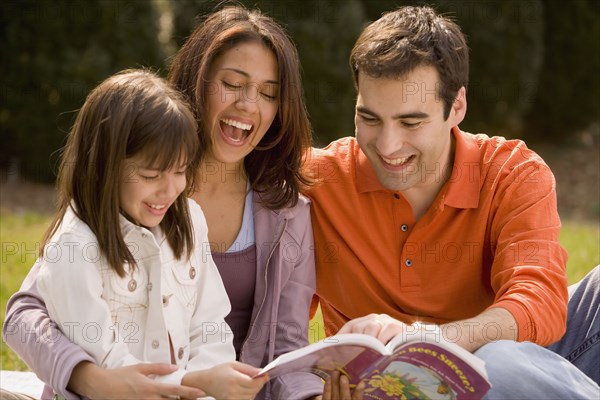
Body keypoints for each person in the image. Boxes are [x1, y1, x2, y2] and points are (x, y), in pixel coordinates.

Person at [3, 6, 323, 400]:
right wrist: (93, 380)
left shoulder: (285, 213)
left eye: (268, 93)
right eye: (232, 83)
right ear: (199, 82)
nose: (248, 105)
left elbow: (285, 347)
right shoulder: (123, 196)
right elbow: (24, 316)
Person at [307, 6, 599, 399]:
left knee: (500, 360)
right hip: (402, 388)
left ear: (456, 107)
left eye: (411, 122)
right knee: (499, 364)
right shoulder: (316, 181)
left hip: (520, 360)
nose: (388, 145)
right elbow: (271, 324)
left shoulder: (511, 172)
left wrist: (429, 341)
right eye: (370, 118)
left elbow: (540, 301)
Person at [3, 69, 268, 399]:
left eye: (181, 171)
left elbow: (209, 326)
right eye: (151, 174)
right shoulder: (73, 248)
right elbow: (112, 367)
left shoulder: (190, 220)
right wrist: (196, 384)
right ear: (104, 167)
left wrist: (210, 386)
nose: (170, 190)